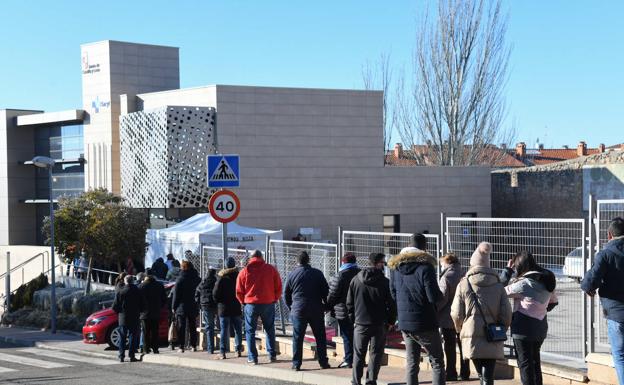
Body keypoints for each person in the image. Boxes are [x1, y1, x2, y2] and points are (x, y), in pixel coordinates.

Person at [451, 242, 512, 385]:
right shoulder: (498, 285)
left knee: (480, 371)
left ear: (473, 265)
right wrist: (502, 327)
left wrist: (460, 328)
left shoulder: (464, 284)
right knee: (488, 372)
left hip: (471, 332)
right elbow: (507, 313)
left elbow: (456, 313)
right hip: (493, 333)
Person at [389, 243, 446, 385]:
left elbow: (393, 293)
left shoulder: (395, 270)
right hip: (425, 322)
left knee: (412, 362)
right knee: (437, 361)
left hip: (404, 323)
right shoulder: (426, 268)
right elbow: (433, 297)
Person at [500, 251, 558, 385]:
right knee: (535, 362)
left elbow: (500, 290)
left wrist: (507, 270)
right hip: (540, 328)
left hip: (523, 329)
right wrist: (539, 309)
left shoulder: (524, 284)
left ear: (520, 266)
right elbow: (553, 302)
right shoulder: (547, 282)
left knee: (525, 364)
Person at [582, 217, 624, 385]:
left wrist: (589, 289)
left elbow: (590, 281)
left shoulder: (606, 254)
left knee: (620, 356)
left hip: (616, 315)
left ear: (609, 235)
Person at [347, 252, 397, 385]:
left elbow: (349, 303)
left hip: (360, 323)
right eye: (383, 263)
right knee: (375, 354)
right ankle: (371, 381)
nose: (384, 265)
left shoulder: (356, 279)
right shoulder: (385, 282)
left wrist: (354, 320)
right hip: (379, 323)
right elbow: (392, 304)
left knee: (358, 354)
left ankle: (356, 381)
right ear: (377, 263)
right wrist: (391, 321)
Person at [284, 251, 331, 371]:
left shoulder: (292, 274)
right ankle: (323, 362)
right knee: (320, 337)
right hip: (316, 309)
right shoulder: (318, 273)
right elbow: (326, 292)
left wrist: (291, 307)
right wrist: (326, 306)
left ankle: (296, 364)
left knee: (297, 338)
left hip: (298, 309)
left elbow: (286, 294)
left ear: (297, 261)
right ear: (308, 260)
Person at [236, 249, 282, 365]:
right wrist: (274, 298)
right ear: (262, 257)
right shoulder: (270, 269)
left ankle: (253, 357)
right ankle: (271, 354)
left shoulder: (244, 271)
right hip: (268, 302)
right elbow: (278, 286)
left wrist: (243, 302)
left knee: (250, 331)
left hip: (250, 304)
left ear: (250, 258)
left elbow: (239, 291)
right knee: (270, 329)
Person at [437, 253, 470, 381]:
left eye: (441, 263)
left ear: (447, 263)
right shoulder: (465, 275)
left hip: (448, 317)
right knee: (464, 344)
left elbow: (442, 298)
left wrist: (435, 311)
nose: (441, 266)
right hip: (465, 315)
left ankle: (451, 373)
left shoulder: (446, 277)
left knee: (449, 346)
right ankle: (465, 372)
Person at [326, 252, 361, 369]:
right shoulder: (361, 274)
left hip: (343, 311)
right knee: (358, 336)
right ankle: (358, 359)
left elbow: (332, 294)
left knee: (347, 336)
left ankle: (348, 360)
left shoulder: (340, 275)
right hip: (360, 311)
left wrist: (327, 306)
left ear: (343, 262)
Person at [213, 257, 243, 359]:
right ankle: (238, 350)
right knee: (238, 330)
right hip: (236, 307)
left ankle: (222, 352)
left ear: (225, 265)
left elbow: (215, 293)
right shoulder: (238, 276)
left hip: (224, 308)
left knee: (224, 330)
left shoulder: (221, 277)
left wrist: (219, 302)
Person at [112, 275, 144, 362]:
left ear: (125, 281)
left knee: (122, 337)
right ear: (133, 281)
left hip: (123, 317)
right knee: (132, 337)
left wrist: (120, 312)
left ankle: (121, 355)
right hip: (134, 316)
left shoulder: (121, 292)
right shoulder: (138, 291)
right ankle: (132, 355)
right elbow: (142, 304)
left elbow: (114, 306)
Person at [172, 260, 201, 353]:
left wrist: (173, 306)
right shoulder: (197, 278)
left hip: (182, 306)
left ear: (183, 267)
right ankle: (194, 345)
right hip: (193, 305)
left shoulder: (180, 279)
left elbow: (176, 295)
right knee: (193, 326)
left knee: (181, 327)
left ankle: (181, 346)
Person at [139, 273, 167, 355]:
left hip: (144, 313)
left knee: (145, 332)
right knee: (155, 332)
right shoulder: (159, 286)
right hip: (156, 312)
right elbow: (164, 299)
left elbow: (138, 300)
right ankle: (155, 348)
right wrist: (159, 307)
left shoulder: (141, 286)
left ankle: (146, 349)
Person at [195, 266, 218, 354]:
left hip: (205, 306)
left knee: (209, 326)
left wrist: (200, 304)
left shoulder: (203, 282)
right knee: (219, 325)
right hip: (215, 305)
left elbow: (197, 293)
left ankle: (210, 349)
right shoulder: (216, 282)